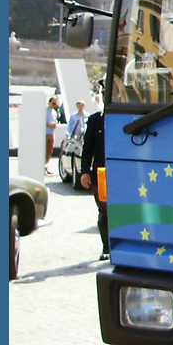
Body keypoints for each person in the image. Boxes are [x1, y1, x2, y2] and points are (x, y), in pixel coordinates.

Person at [79, 111, 109, 261]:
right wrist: (85, 172)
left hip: (124, 172)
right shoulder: (95, 120)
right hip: (102, 174)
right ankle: (107, 248)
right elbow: (88, 148)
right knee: (104, 211)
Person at [44, 96, 60, 174]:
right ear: (49, 102)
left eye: (56, 104)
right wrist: (49, 124)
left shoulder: (54, 112)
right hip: (45, 133)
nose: (54, 105)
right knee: (44, 150)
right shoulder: (44, 111)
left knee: (49, 151)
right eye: (53, 103)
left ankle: (46, 167)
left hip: (51, 133)